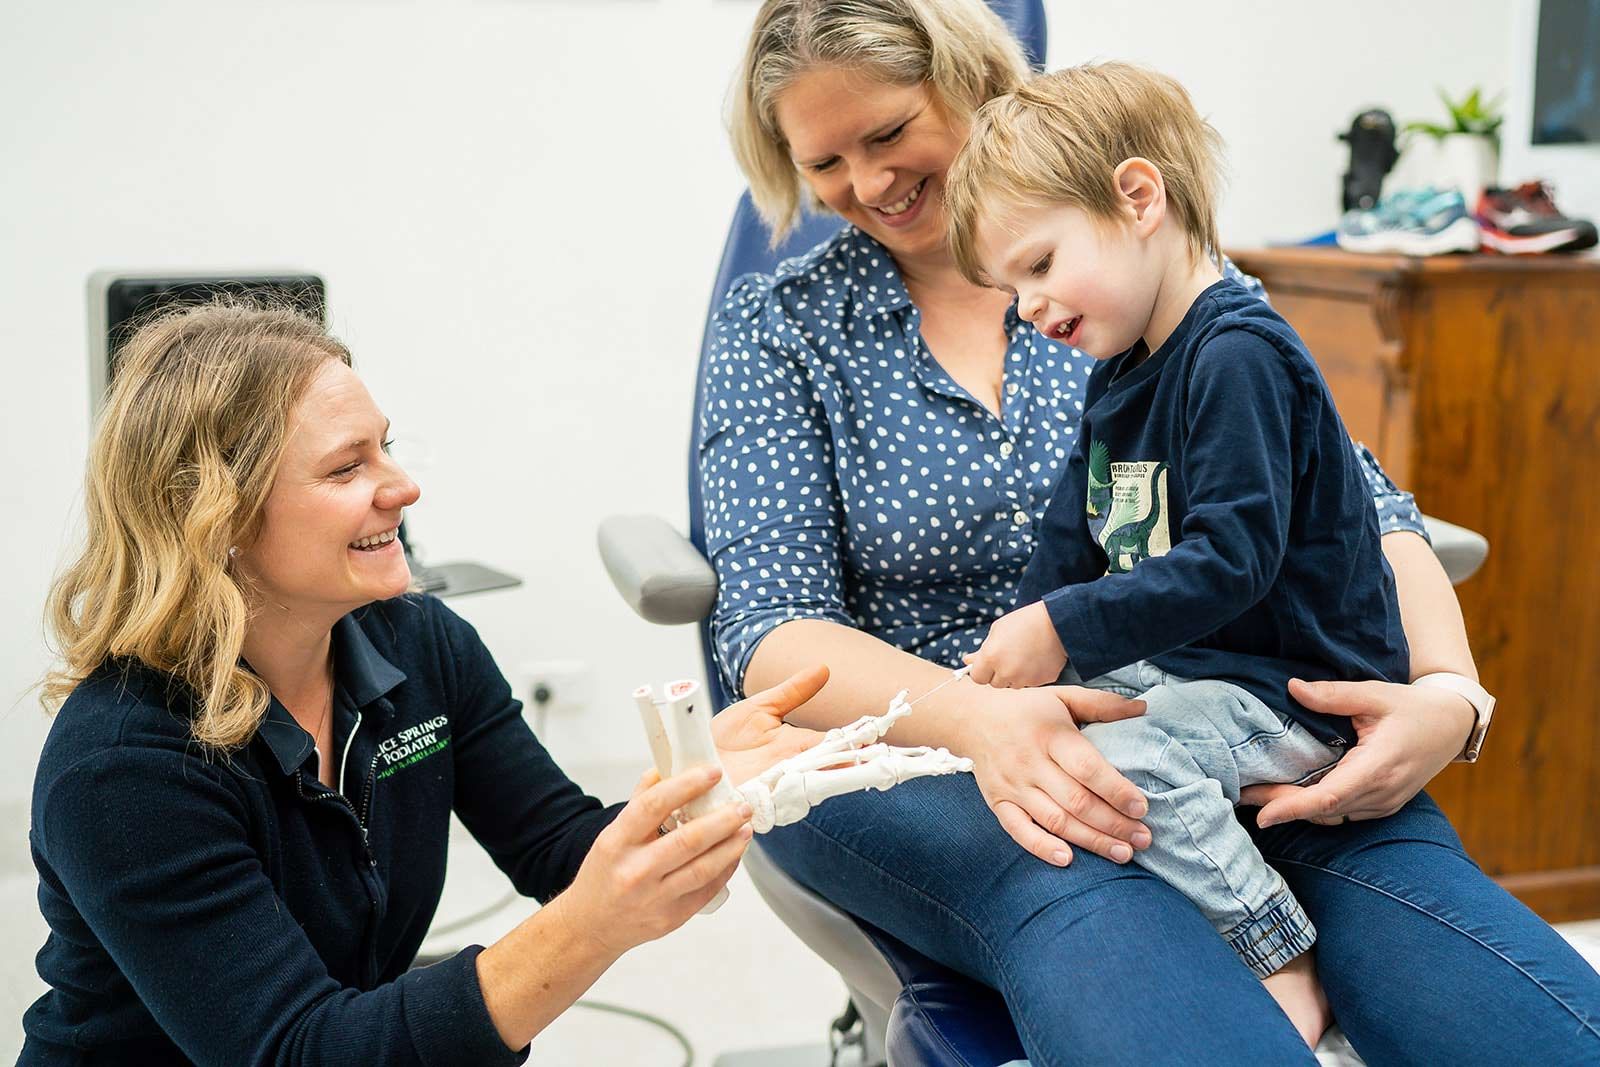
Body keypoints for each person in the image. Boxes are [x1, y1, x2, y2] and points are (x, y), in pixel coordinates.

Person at [704, 0, 1600, 1063]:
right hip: (928, 742)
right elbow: (772, 625)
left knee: (1474, 982)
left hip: (1208, 697)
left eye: (890, 133)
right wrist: (980, 717)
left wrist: (1450, 694)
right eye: (825, 163)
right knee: (1090, 872)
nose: (866, 182)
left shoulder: (1168, 300)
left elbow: (1363, 505)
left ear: (973, 88)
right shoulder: (785, 325)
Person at [22, 301, 828, 1066]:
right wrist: (589, 927)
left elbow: (556, 846)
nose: (403, 487)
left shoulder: (416, 642)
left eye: (386, 446)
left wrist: (699, 788)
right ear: (216, 516)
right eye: (347, 467)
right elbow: (302, 1051)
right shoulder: (123, 768)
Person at [947, 61, 1415, 1044]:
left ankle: (1277, 952)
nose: (1027, 306)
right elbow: (1072, 537)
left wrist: (1060, 625)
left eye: (1037, 264)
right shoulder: (1120, 366)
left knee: (1115, 754)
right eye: (1008, 289)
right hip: (1206, 660)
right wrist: (1017, 655)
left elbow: (1229, 560)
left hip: (1290, 685)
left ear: (1136, 195)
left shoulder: (1235, 352)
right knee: (1048, 723)